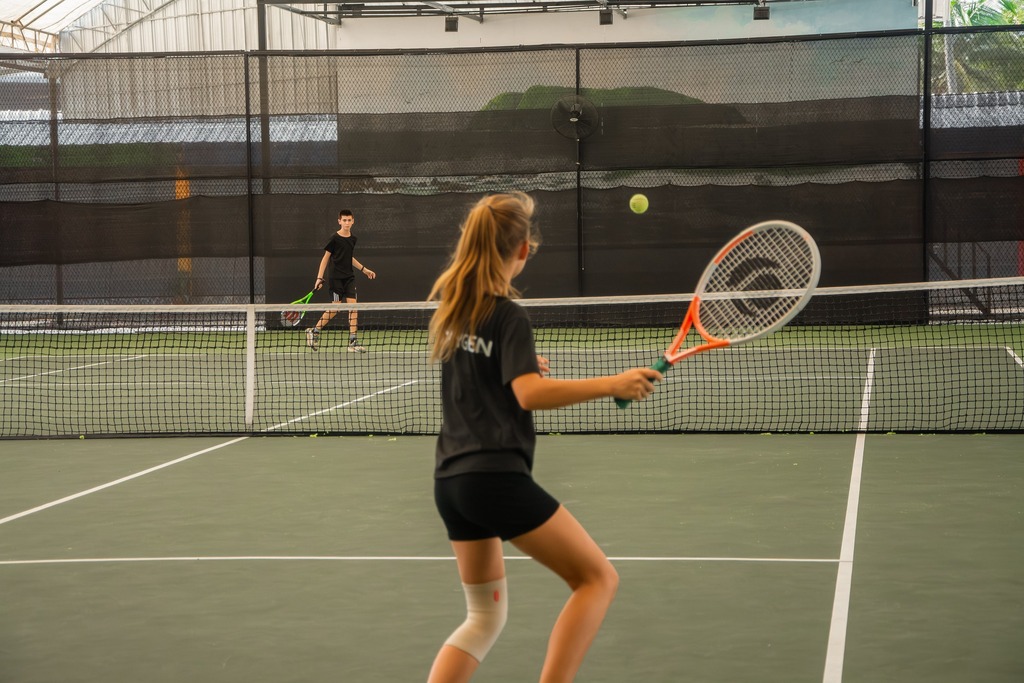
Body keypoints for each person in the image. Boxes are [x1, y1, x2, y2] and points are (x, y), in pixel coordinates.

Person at [426, 192, 662, 683]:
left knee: (483, 619)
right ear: (522, 251)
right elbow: (529, 395)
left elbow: (490, 376)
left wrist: (517, 369)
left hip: (451, 484)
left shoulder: (455, 310)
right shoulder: (509, 315)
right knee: (597, 579)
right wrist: (612, 384)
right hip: (495, 481)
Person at [307, 209, 376, 352]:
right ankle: (314, 331)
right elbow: (325, 258)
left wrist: (364, 269)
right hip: (335, 279)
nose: (347, 223)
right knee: (336, 308)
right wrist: (319, 278)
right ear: (339, 221)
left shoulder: (353, 239)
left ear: (353, 221)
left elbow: (348, 257)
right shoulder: (334, 238)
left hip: (349, 278)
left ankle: (353, 342)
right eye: (344, 220)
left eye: (349, 220)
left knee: (353, 307)